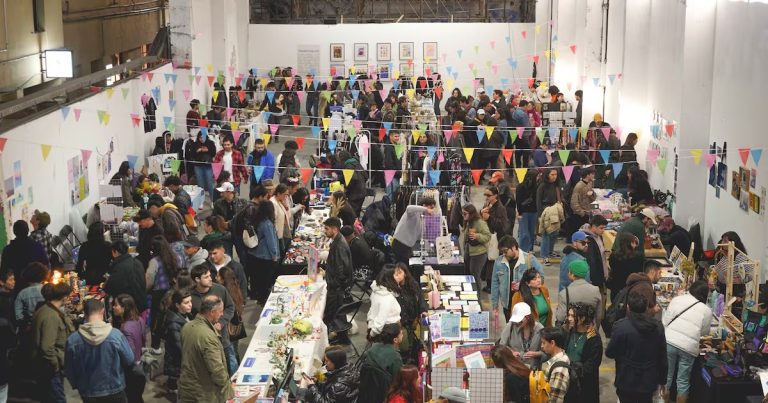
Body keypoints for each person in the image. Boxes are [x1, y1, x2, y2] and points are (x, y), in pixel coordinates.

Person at [65, 299, 134, 403]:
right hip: (115, 388)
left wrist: (76, 384)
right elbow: (129, 360)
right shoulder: (116, 335)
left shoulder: (72, 340)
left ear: (85, 313)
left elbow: (69, 368)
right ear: (102, 311)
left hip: (88, 391)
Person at [606, 293, 668, 403]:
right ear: (646, 308)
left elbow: (610, 353)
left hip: (626, 378)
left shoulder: (621, 326)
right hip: (648, 380)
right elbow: (662, 356)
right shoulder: (657, 327)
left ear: (628, 307)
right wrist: (663, 380)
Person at [663, 281, 712, 403]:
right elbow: (704, 332)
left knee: (666, 378)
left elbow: (665, 321)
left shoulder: (677, 299)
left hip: (670, 341)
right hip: (688, 348)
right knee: (683, 381)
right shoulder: (706, 310)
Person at [178, 295, 234, 402]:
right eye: (220, 311)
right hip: (203, 394)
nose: (222, 314)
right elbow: (217, 370)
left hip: (186, 389)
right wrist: (228, 389)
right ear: (212, 312)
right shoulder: (208, 336)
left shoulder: (187, 327)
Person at [189, 265, 237, 375]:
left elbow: (230, 307)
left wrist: (221, 323)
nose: (211, 278)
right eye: (206, 277)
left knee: (231, 365)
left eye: (210, 275)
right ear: (197, 279)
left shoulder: (220, 289)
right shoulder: (191, 296)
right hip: (204, 341)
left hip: (222, 338)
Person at [31, 283, 74, 403]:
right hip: (50, 368)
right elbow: (47, 347)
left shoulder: (46, 309)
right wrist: (56, 365)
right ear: (64, 297)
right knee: (58, 399)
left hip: (47, 366)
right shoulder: (51, 316)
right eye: (69, 296)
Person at [491, 236, 545, 321]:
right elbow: (495, 283)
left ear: (513, 247)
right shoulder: (498, 262)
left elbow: (541, 278)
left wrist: (524, 284)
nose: (504, 254)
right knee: (511, 327)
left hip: (525, 304)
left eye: (505, 251)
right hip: (507, 305)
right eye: (502, 252)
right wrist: (495, 305)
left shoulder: (529, 260)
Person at [145, 235, 180, 351]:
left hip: (158, 294)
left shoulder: (154, 261)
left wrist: (145, 289)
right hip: (171, 291)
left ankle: (156, 346)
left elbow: (149, 279)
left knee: (156, 320)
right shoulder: (173, 257)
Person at [565, 304, 603, 403]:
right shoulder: (569, 332)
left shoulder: (593, 338)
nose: (569, 318)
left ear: (582, 319)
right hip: (569, 381)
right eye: (568, 315)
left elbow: (592, 365)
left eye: (573, 316)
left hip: (584, 385)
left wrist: (574, 370)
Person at [112, 294, 146, 402]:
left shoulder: (126, 328)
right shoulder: (139, 319)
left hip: (132, 371)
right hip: (140, 365)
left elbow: (129, 354)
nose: (113, 307)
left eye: (116, 305)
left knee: (133, 398)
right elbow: (143, 341)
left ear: (124, 308)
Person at [359, 323, 404, 403]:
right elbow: (397, 381)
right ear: (395, 340)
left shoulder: (372, 348)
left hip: (366, 391)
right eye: (401, 334)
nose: (403, 335)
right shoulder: (396, 357)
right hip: (384, 395)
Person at [322, 217, 353, 329]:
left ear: (335, 229)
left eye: (327, 229)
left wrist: (333, 284)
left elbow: (342, 271)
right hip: (336, 286)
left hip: (337, 289)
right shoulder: (338, 241)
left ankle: (337, 335)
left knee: (334, 315)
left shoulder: (339, 246)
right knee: (337, 315)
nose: (324, 231)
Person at [104, 241, 148, 314]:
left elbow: (110, 288)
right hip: (142, 303)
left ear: (116, 252)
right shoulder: (137, 262)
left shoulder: (119, 267)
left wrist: (107, 282)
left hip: (128, 306)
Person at [1, 220, 49, 285]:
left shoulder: (8, 250)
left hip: (16, 285)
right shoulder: (37, 246)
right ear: (28, 230)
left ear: (14, 232)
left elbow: (3, 271)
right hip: (35, 283)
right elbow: (45, 265)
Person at [556, 260, 602, 327]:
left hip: (572, 330)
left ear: (572, 275)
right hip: (589, 329)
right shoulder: (595, 290)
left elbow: (560, 317)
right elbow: (599, 315)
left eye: (569, 272)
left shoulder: (564, 293)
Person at [499, 302, 545, 369]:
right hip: (514, 368)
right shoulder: (510, 326)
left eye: (520, 320)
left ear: (527, 317)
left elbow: (547, 352)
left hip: (533, 370)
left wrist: (536, 354)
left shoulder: (539, 329)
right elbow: (501, 346)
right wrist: (511, 352)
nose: (517, 323)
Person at [163, 288, 192, 394]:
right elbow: (178, 346)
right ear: (177, 305)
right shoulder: (173, 323)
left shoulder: (187, 314)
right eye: (186, 303)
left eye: (190, 301)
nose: (190, 305)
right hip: (177, 359)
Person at [392, 197, 437, 264]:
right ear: (424, 205)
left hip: (407, 247)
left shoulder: (422, 219)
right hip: (400, 244)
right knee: (401, 267)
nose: (432, 210)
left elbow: (420, 235)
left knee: (405, 267)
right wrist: (426, 210)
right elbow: (409, 208)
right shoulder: (414, 213)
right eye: (431, 208)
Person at [460, 204, 491, 289]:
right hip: (469, 251)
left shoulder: (480, 223)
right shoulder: (468, 221)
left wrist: (477, 236)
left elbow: (488, 236)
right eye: (462, 213)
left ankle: (477, 294)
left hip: (479, 253)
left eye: (465, 213)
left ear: (471, 213)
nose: (463, 215)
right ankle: (469, 292)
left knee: (475, 275)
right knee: (468, 273)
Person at [537, 168, 564, 265]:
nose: (554, 176)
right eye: (552, 174)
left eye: (555, 174)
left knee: (554, 233)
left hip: (556, 210)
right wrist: (540, 215)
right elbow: (538, 201)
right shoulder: (542, 186)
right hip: (546, 211)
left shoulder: (556, 185)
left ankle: (550, 251)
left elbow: (560, 196)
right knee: (546, 234)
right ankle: (545, 256)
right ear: (547, 175)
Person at [367, 265, 402, 339]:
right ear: (390, 278)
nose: (399, 277)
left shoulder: (378, 290)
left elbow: (371, 311)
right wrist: (371, 335)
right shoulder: (386, 297)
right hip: (387, 335)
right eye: (396, 275)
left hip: (380, 329)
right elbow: (380, 321)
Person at [608, 232, 645, 301]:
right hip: (632, 287)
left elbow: (612, 267)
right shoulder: (639, 256)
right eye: (634, 242)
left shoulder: (614, 256)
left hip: (616, 288)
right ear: (631, 243)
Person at [540, 327, 571, 403]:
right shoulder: (560, 357)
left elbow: (555, 400)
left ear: (552, 343)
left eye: (544, 343)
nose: (541, 346)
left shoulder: (559, 370)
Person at [582, 215, 609, 295]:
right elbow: (591, 262)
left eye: (604, 228)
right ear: (593, 226)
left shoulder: (599, 236)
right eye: (601, 228)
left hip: (602, 274)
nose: (603, 230)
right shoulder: (587, 240)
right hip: (595, 278)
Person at [568, 167, 596, 239]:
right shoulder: (579, 186)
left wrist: (592, 194)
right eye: (592, 174)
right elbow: (574, 202)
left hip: (586, 211)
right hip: (580, 215)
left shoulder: (590, 183)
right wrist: (582, 213)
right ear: (587, 175)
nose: (594, 175)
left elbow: (592, 199)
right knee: (578, 235)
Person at [189, 130, 217, 199]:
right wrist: (197, 151)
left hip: (208, 166)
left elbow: (214, 153)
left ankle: (212, 200)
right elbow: (191, 155)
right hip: (198, 166)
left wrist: (208, 150)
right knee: (200, 184)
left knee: (210, 183)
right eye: (200, 137)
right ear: (198, 137)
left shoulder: (210, 143)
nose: (202, 139)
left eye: (203, 137)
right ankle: (201, 200)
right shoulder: (195, 144)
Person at [516, 170, 539, 253]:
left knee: (532, 232)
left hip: (534, 211)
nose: (538, 178)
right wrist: (519, 213)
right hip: (524, 212)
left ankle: (530, 249)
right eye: (537, 176)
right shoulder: (520, 187)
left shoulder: (536, 186)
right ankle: (522, 250)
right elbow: (518, 201)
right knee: (524, 233)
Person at [271, 183, 292, 255]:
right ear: (278, 193)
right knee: (281, 252)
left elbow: (288, 215)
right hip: (278, 233)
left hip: (283, 230)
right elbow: (273, 220)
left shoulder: (280, 201)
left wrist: (285, 205)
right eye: (284, 195)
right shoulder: (273, 203)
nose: (286, 197)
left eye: (287, 195)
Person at [383, 130, 403, 200]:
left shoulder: (396, 146)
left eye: (398, 136)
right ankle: (388, 207)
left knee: (394, 195)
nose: (397, 138)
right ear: (390, 137)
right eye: (395, 136)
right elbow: (388, 163)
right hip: (391, 174)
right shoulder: (388, 148)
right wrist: (396, 172)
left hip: (396, 174)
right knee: (390, 195)